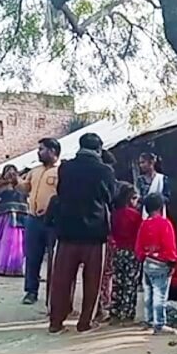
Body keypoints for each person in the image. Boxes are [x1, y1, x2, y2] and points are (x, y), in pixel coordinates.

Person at [48, 133, 116, 334]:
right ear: (99, 149)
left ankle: (56, 322)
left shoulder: (66, 167)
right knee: (92, 280)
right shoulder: (105, 170)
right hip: (94, 232)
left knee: (61, 279)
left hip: (67, 230)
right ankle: (85, 322)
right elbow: (109, 197)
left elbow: (60, 192)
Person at [19, 138, 61, 305]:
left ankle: (54, 293)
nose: (38, 152)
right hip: (33, 219)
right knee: (32, 256)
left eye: (42, 149)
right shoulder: (34, 171)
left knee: (54, 258)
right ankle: (31, 291)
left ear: (52, 151)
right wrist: (16, 181)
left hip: (53, 221)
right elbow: (25, 188)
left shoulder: (62, 171)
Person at [135, 193, 177, 334]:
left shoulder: (144, 224)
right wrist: (172, 262)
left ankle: (149, 320)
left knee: (148, 294)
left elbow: (138, 246)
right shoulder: (165, 224)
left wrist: (143, 257)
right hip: (161, 263)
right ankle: (159, 324)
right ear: (161, 207)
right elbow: (169, 244)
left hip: (147, 263)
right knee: (160, 295)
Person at [109, 182, 143, 324]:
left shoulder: (114, 215)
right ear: (130, 199)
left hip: (118, 251)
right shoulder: (135, 216)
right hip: (132, 252)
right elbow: (139, 234)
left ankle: (115, 312)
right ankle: (127, 314)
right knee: (130, 283)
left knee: (117, 282)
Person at [0, 165, 28, 277]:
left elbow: (26, 195)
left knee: (14, 242)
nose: (10, 174)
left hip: (19, 217)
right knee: (2, 242)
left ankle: (14, 268)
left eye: (13, 172)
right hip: (2, 216)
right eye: (8, 172)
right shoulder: (0, 185)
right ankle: (2, 268)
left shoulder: (21, 185)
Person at [96, 149, 119, 322]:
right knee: (105, 272)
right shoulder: (106, 184)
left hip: (98, 233)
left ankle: (99, 304)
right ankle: (103, 302)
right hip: (104, 234)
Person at [136, 152, 171, 218]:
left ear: (151, 162)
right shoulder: (140, 180)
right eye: (140, 163)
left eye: (143, 162)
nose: (141, 165)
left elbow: (167, 197)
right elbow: (138, 197)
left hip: (160, 213)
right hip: (144, 214)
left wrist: (156, 199)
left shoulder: (162, 179)